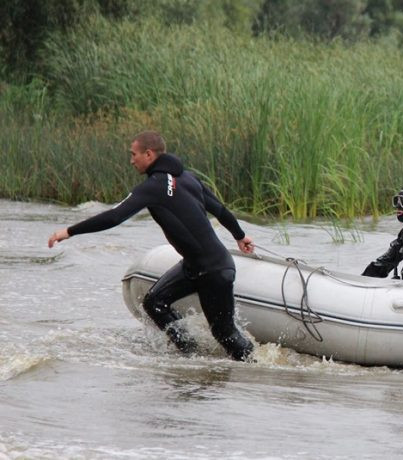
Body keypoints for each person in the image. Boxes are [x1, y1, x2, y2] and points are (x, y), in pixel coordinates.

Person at [48, 131, 256, 361]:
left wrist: (69, 231)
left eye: (133, 154)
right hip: (195, 266)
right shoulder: (189, 177)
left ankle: (255, 365)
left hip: (214, 270)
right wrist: (240, 235)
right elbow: (221, 210)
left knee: (224, 333)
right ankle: (191, 355)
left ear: (148, 154)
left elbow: (115, 216)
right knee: (154, 302)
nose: (131, 160)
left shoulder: (154, 186)